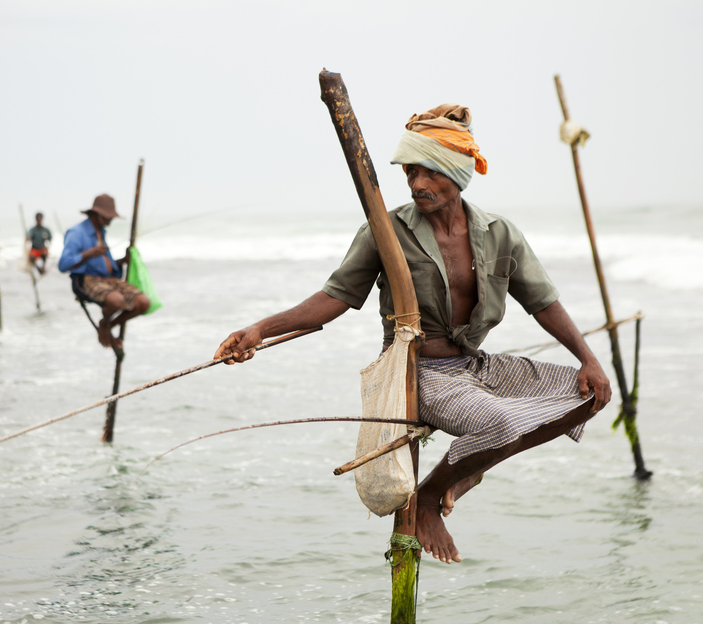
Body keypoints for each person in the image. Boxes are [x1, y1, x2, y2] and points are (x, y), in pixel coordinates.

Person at [214, 104, 612, 565]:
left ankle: (466, 470)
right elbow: (333, 299)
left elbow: (542, 302)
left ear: (458, 174)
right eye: (410, 173)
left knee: (588, 395)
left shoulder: (499, 233)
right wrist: (258, 330)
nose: (418, 184)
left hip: (472, 366)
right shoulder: (387, 232)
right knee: (498, 423)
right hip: (418, 372)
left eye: (431, 173)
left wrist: (589, 358)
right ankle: (428, 498)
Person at [58, 194, 150, 352]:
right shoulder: (76, 232)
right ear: (96, 214)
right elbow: (63, 265)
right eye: (107, 217)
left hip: (108, 279)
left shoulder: (101, 231)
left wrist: (122, 261)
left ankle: (106, 325)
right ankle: (106, 324)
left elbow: (106, 264)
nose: (110, 221)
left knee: (144, 303)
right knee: (116, 301)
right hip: (86, 279)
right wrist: (89, 253)